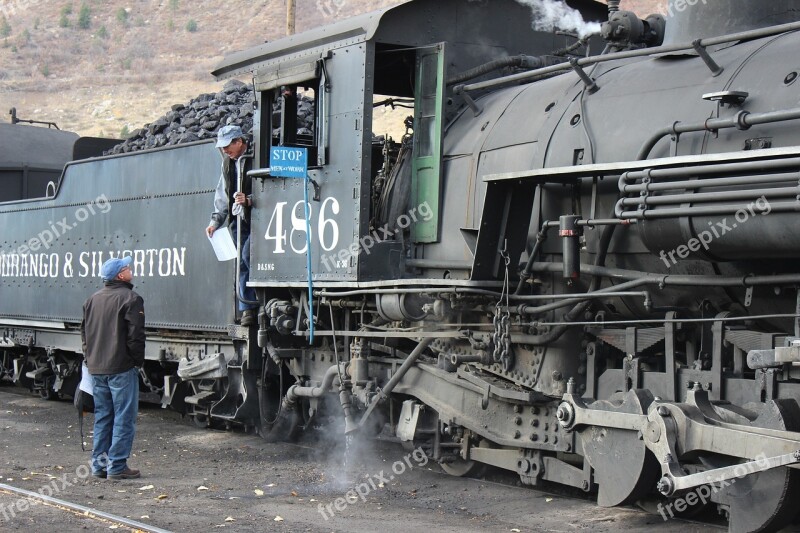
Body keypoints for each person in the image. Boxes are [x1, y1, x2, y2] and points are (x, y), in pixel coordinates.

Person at [80, 256, 144, 480]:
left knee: (103, 417)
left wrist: (90, 360)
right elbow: (135, 337)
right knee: (123, 417)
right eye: (127, 268)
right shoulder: (131, 299)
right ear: (120, 275)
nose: (130, 270)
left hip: (96, 368)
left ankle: (99, 466)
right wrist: (137, 361)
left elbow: (85, 335)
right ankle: (117, 466)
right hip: (121, 368)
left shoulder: (92, 299)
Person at [206, 124, 259, 326]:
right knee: (242, 262)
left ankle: (258, 302)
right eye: (222, 147)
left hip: (259, 218)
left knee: (248, 255)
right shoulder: (227, 164)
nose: (224, 150)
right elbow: (222, 195)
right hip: (238, 220)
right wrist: (215, 221)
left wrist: (250, 200)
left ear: (240, 142)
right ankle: (247, 309)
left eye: (228, 145)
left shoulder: (257, 156)